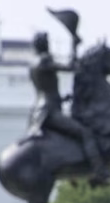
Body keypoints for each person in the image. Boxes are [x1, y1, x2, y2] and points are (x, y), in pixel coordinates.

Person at [26, 31, 102, 173]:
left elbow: (45, 88)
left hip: (38, 111)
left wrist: (62, 98)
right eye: (48, 42)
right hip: (50, 111)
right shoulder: (44, 60)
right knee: (85, 133)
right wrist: (73, 44)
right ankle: (99, 171)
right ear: (45, 45)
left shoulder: (32, 64)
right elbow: (72, 67)